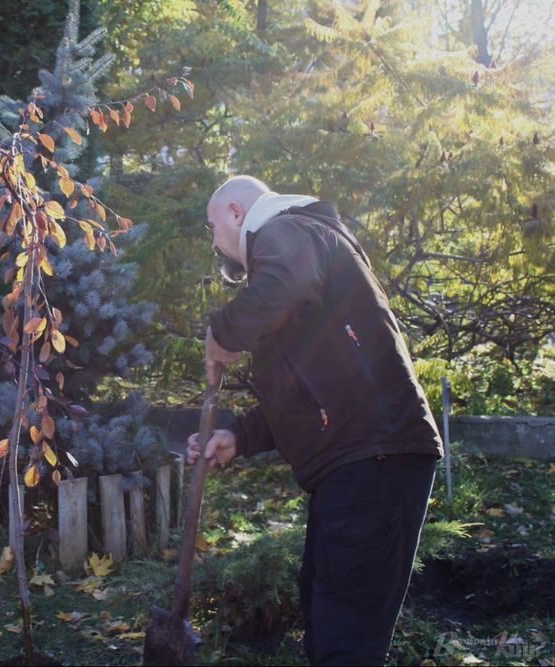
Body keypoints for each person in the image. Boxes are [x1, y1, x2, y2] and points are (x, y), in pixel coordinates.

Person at [187, 175, 443, 665]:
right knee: (328, 620)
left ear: (238, 213)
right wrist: (238, 436)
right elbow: (305, 388)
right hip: (362, 459)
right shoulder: (296, 258)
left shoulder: (285, 230)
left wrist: (224, 332)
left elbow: (287, 283)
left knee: (343, 636)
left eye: (212, 226)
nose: (213, 239)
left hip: (375, 458)